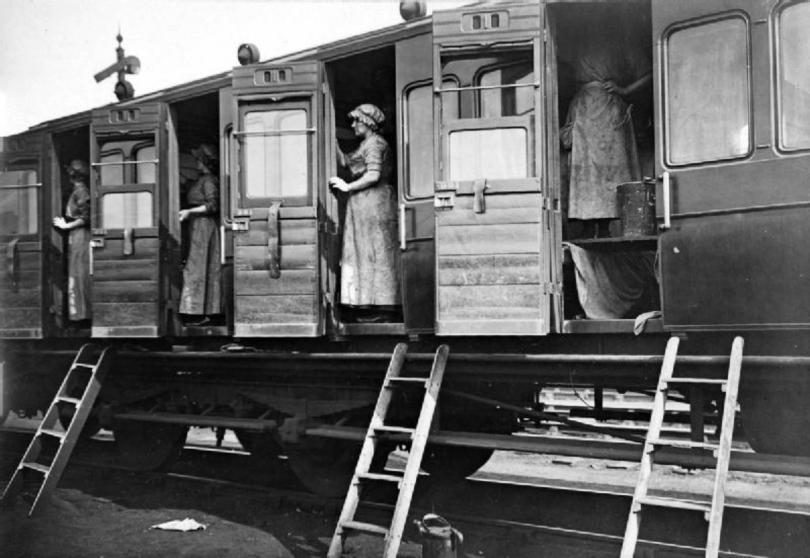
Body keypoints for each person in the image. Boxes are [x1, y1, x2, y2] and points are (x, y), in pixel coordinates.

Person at [560, 19, 651, 238]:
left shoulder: (623, 43)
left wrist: (625, 90)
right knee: (590, 170)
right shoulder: (578, 43)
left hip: (608, 109)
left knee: (609, 169)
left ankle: (604, 226)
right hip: (585, 109)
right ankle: (590, 225)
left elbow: (650, 72)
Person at [329, 103, 401, 322]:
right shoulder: (367, 144)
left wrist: (348, 187)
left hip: (375, 205)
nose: (353, 125)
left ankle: (381, 304)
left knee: (376, 252)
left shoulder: (375, 144)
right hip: (364, 206)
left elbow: (373, 174)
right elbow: (347, 162)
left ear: (367, 122)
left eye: (356, 121)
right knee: (365, 252)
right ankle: (369, 304)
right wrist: (331, 138)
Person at [178, 144, 221, 326]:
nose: (195, 162)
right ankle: (197, 310)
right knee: (196, 267)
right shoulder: (200, 180)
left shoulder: (209, 180)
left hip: (204, 227)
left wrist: (190, 212)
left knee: (201, 267)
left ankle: (203, 312)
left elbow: (212, 206)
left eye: (197, 159)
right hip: (196, 226)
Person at [53, 159, 92, 324]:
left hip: (81, 236)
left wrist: (66, 225)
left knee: (79, 273)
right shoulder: (77, 191)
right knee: (76, 273)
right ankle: (80, 314)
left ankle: (82, 315)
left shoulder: (81, 191)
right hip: (76, 236)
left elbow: (86, 217)